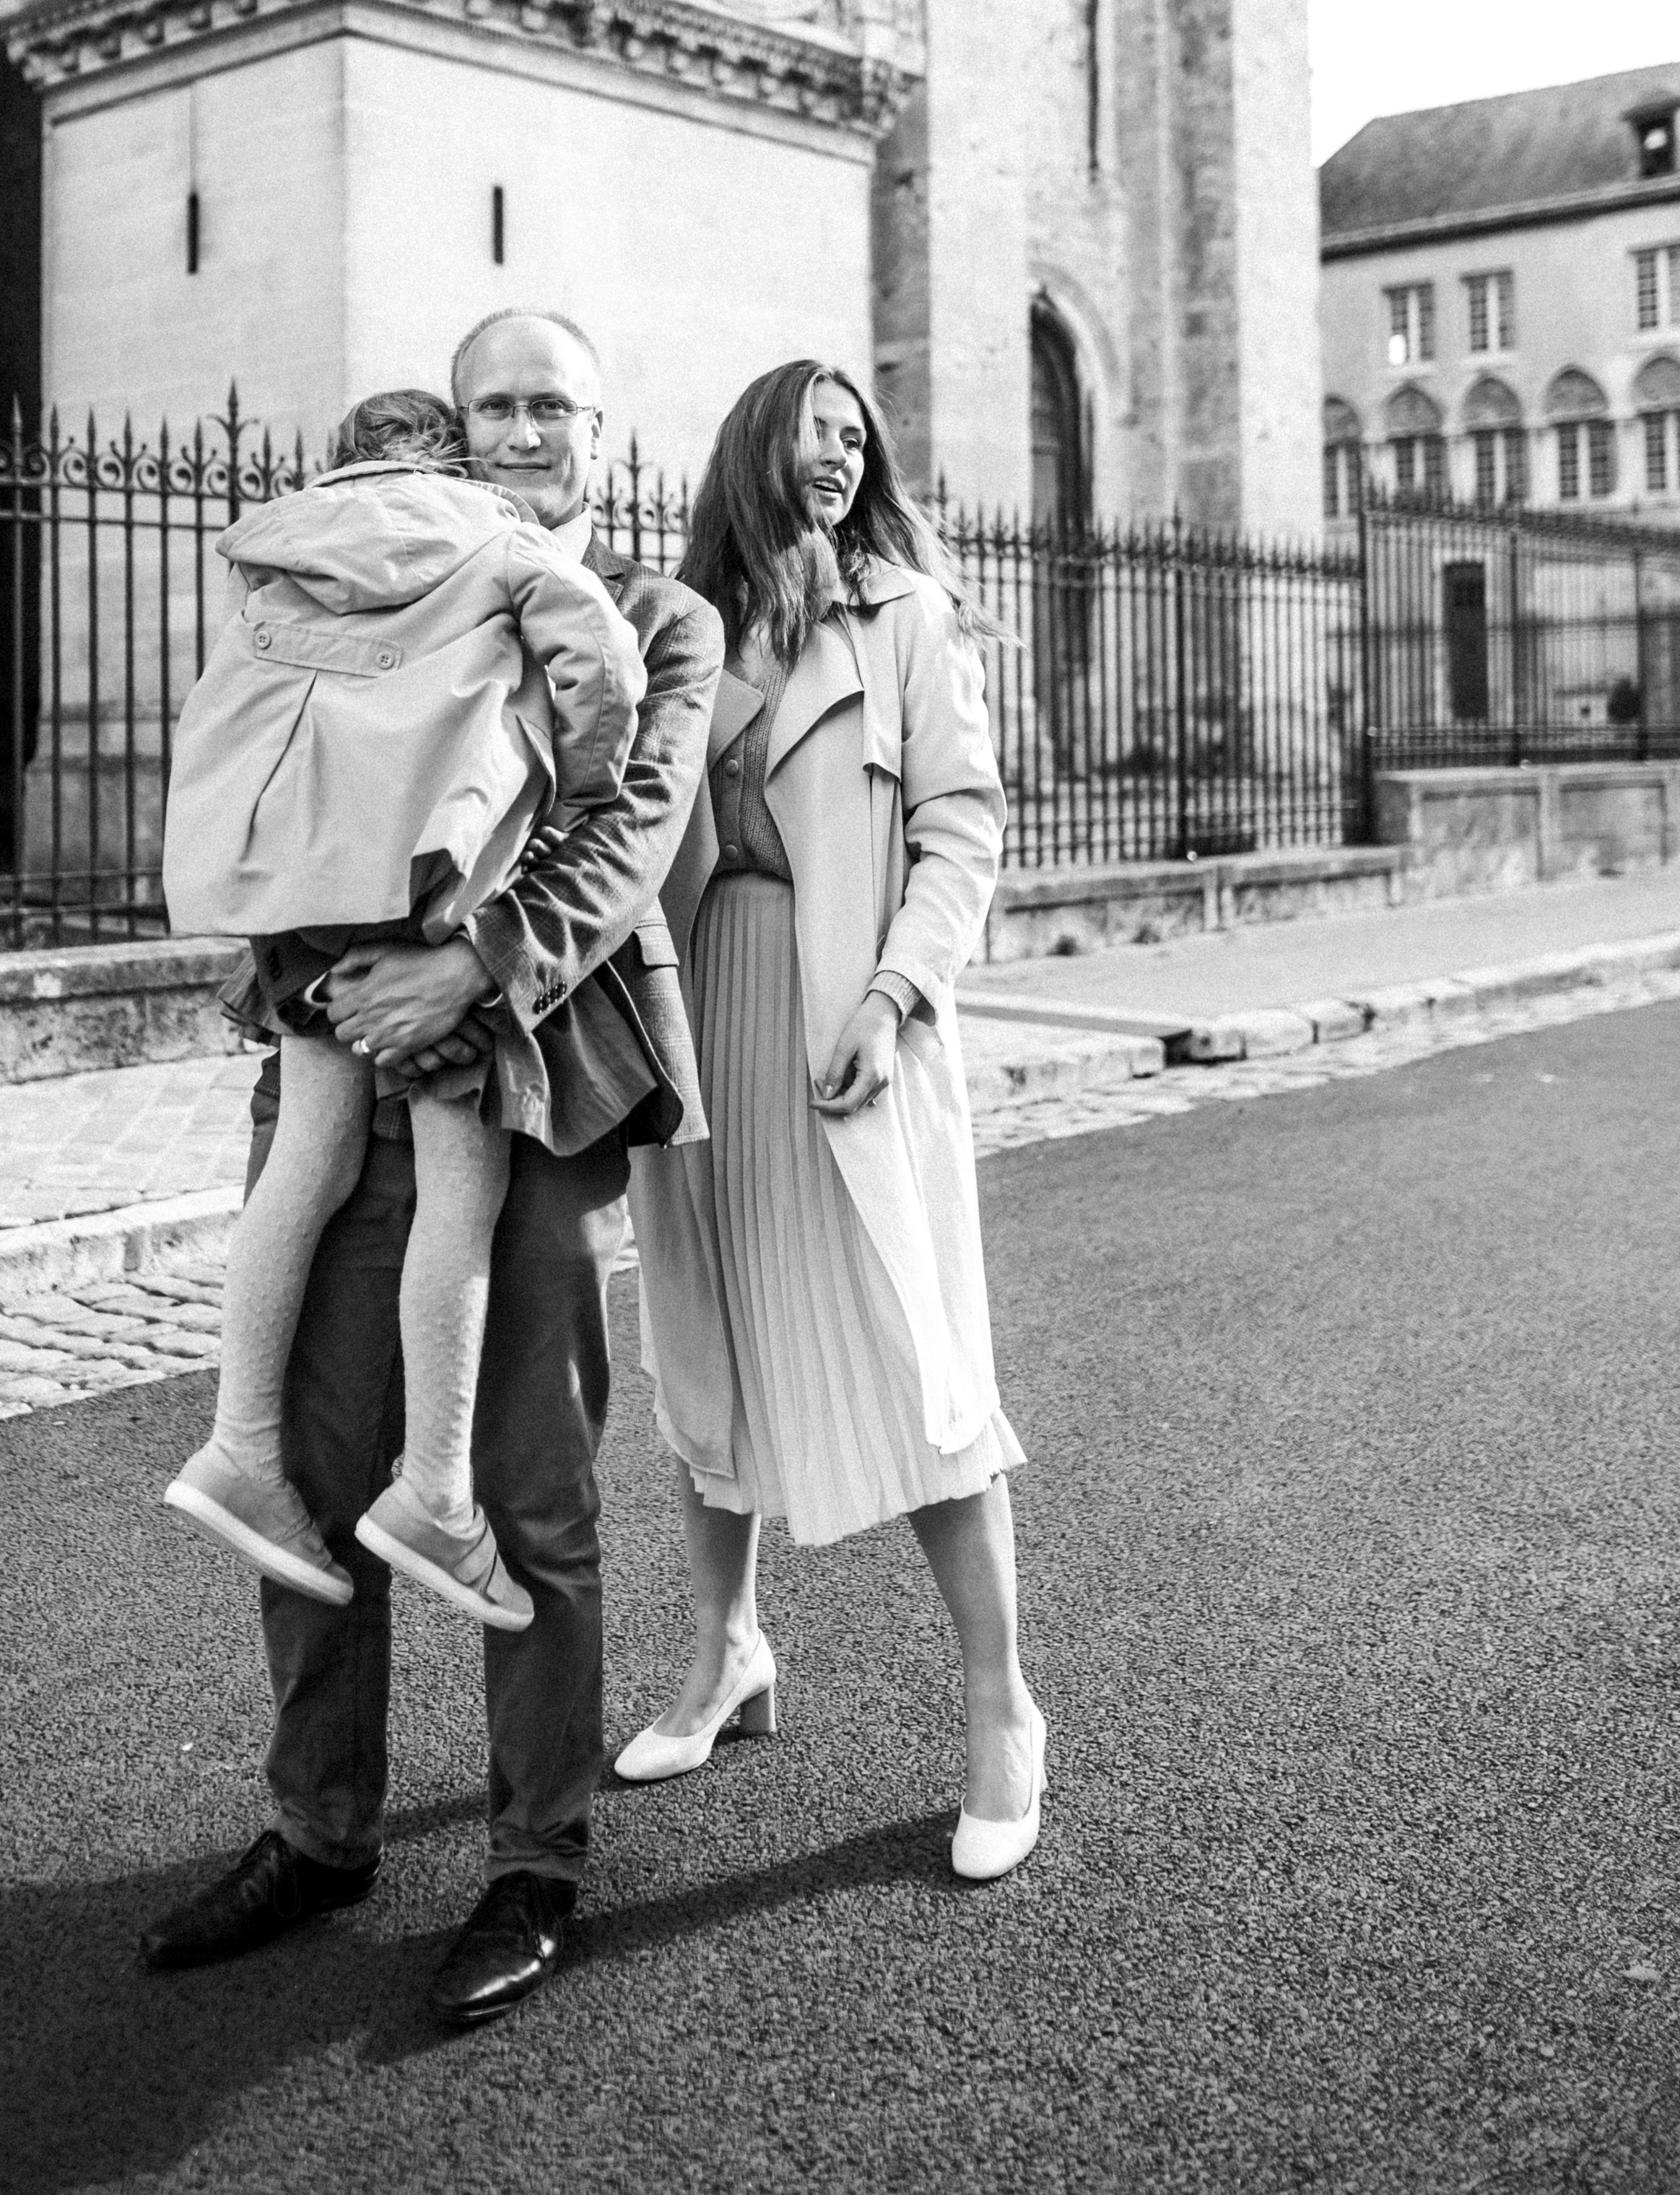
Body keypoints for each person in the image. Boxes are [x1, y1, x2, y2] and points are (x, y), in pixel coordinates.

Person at [140, 312, 724, 2026]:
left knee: (524, 1484)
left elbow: (635, 822)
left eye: (558, 403)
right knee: (310, 1468)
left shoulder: (657, 609)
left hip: (529, 1074)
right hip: (336, 1059)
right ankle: (320, 1827)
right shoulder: (383, 563)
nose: (529, 426)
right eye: (499, 403)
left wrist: (467, 964)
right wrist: (321, 968)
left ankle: (536, 1857)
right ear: (453, 426)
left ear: (607, 432)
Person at [625, 359, 1045, 1882]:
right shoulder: (674, 631)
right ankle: (726, 1648)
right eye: (813, 431)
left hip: (844, 1017)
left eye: (854, 436)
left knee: (911, 1352)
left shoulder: (906, 620)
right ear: (752, 448)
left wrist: (892, 994)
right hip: (699, 1016)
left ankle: (1001, 1705)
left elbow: (961, 823)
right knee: (707, 1341)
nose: (837, 453)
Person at [159, 386, 645, 1631]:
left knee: (302, 1164)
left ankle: (240, 1447)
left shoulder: (281, 539)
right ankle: (433, 1491)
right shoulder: (498, 536)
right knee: (460, 1197)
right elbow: (599, 663)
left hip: (300, 890)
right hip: (428, 880)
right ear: (447, 452)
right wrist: (579, 779)